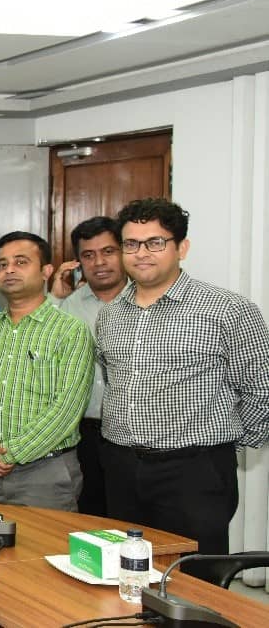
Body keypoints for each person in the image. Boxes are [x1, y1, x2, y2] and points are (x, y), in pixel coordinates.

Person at [97, 198, 269, 580]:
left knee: (195, 584)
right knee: (127, 578)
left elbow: (261, 390)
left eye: (155, 242)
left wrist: (221, 446)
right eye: (131, 244)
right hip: (122, 467)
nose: (141, 253)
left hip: (195, 471)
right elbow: (113, 382)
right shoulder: (110, 314)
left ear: (181, 248)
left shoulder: (227, 309)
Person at [0, 232, 93, 511]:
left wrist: (13, 454)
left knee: (47, 552)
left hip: (46, 472)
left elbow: (67, 408)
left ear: (46, 271)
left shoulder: (70, 330)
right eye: (2, 264)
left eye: (21, 262)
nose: (9, 270)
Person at [48, 216, 128, 516]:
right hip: (82, 433)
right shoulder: (68, 305)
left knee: (129, 519)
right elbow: (40, 351)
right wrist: (54, 298)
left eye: (108, 251)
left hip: (129, 434)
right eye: (88, 255)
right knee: (88, 518)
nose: (99, 262)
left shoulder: (143, 302)